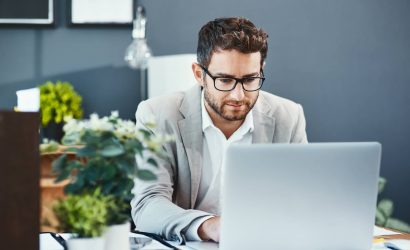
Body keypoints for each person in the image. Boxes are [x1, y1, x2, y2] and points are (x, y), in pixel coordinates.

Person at [131, 17, 308, 243]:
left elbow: (300, 199)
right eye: (224, 80)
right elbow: (147, 205)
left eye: (250, 79)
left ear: (260, 70)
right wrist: (210, 226)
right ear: (199, 74)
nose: (238, 95)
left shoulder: (289, 116)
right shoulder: (157, 115)